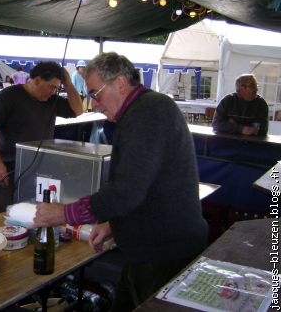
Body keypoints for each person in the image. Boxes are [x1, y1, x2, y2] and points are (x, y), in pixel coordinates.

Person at [33, 52, 208, 311]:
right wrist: (113, 224)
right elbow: (146, 185)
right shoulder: (145, 110)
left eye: (96, 93)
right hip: (153, 245)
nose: (94, 103)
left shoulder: (149, 112)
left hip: (164, 249)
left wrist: (64, 213)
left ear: (120, 83)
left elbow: (126, 192)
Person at [0, 61, 83, 213]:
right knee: (4, 212)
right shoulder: (9, 96)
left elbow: (77, 110)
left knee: (37, 210)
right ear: (37, 80)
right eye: (52, 87)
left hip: (42, 169)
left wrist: (68, 84)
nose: (53, 92)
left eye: (56, 88)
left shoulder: (51, 101)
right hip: (9, 168)